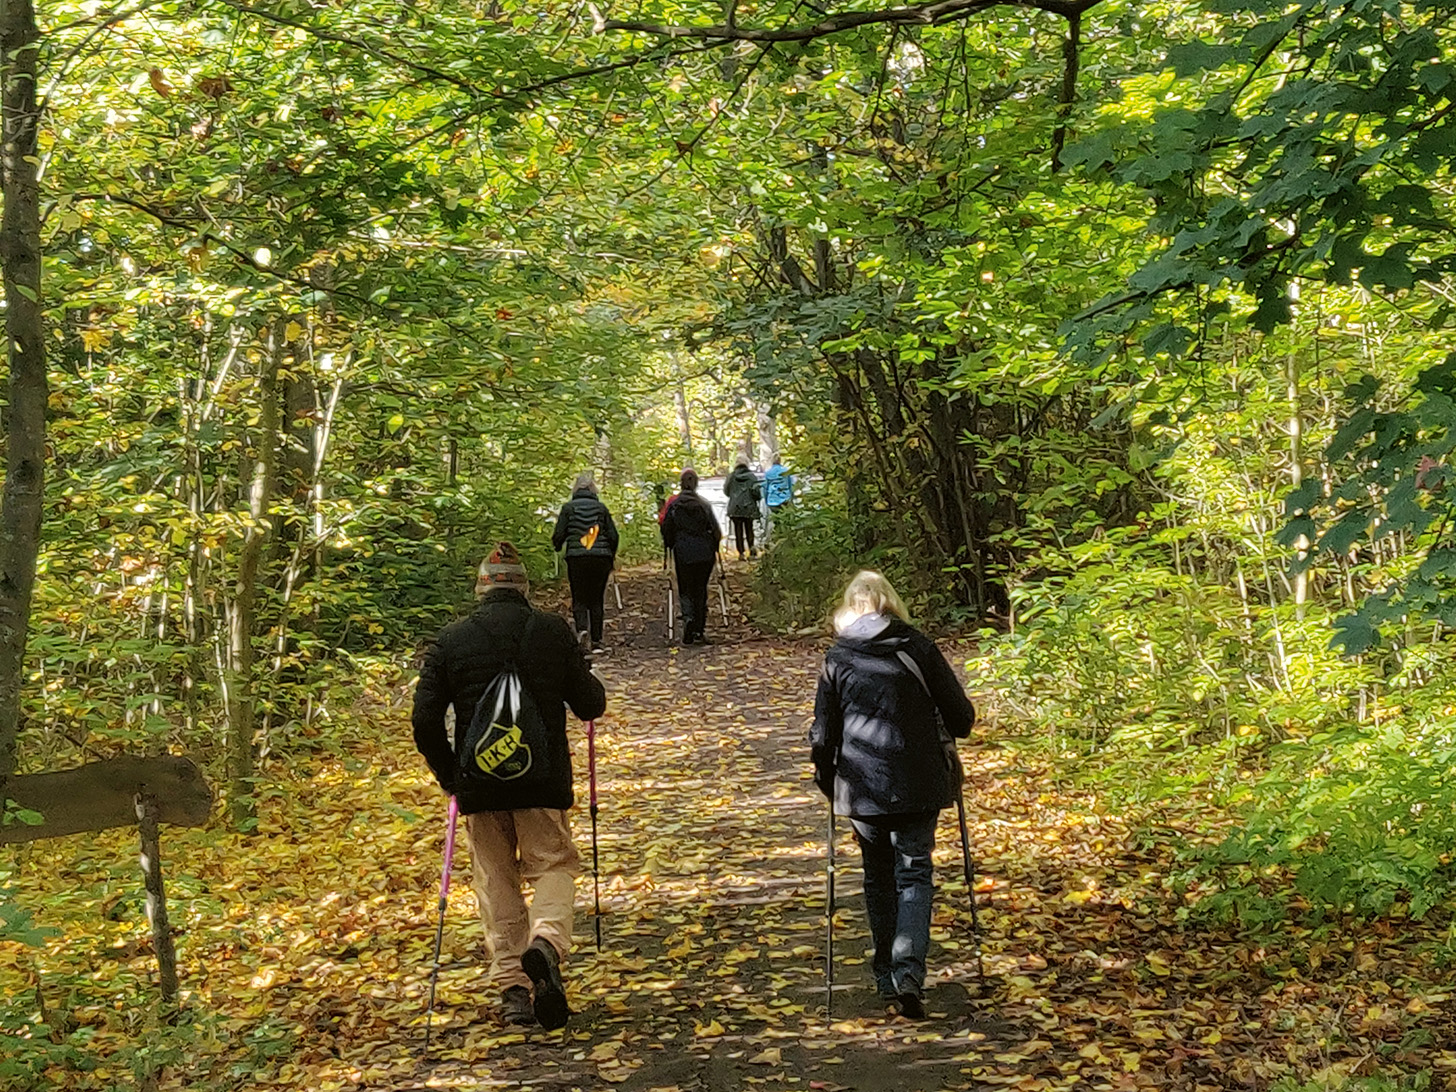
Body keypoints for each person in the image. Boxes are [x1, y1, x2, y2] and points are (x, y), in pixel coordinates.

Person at [411, 542, 606, 1030]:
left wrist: (451, 779)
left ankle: (514, 992)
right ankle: (546, 943)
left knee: (496, 881)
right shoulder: (550, 631)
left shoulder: (450, 641)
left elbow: (424, 721)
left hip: (479, 785)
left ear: (481, 589)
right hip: (541, 782)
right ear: (524, 587)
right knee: (554, 865)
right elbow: (590, 706)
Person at [809, 570, 975, 1020]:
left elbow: (823, 735)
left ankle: (885, 973)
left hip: (862, 786)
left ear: (850, 607)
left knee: (877, 875)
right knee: (915, 873)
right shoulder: (918, 647)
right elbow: (961, 718)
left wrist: (827, 780)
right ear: (891, 603)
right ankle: (908, 976)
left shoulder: (838, 658)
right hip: (919, 781)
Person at [551, 473, 619, 655]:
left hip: (577, 558)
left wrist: (558, 546)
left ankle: (582, 632)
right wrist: (610, 555)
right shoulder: (601, 509)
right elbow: (613, 536)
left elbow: (559, 534)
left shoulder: (568, 508)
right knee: (596, 599)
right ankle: (597, 640)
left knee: (579, 597)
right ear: (593, 489)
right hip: (600, 559)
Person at [659, 467, 722, 645]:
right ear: (696, 484)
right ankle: (699, 630)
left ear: (681, 484)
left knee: (686, 588)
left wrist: (671, 544)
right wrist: (714, 546)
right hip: (704, 553)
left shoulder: (674, 505)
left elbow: (667, 530)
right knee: (700, 590)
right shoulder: (704, 505)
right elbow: (716, 530)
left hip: (683, 551)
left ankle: (688, 618)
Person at [723, 456, 762, 560]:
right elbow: (756, 492)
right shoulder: (751, 476)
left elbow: (726, 491)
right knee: (749, 529)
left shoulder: (731, 476)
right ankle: (752, 552)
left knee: (738, 531)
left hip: (735, 507)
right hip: (749, 507)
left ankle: (741, 553)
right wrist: (756, 498)